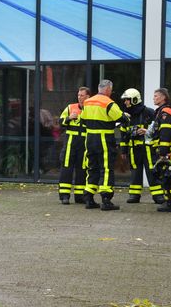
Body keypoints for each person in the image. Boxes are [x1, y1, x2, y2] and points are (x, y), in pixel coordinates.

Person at [80, 80, 130, 211]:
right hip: (104, 139)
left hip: (89, 139)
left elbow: (82, 120)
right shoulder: (108, 103)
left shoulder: (87, 102)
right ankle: (106, 200)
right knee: (106, 168)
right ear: (108, 89)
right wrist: (125, 117)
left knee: (92, 167)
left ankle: (89, 198)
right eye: (111, 90)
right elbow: (121, 118)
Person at [119, 88, 163, 204]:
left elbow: (158, 128)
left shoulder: (149, 112)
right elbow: (123, 134)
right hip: (133, 149)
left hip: (148, 148)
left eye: (127, 100)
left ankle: (158, 195)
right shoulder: (126, 116)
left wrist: (146, 131)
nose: (125, 102)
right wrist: (123, 151)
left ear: (134, 100)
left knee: (152, 171)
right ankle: (134, 195)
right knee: (135, 172)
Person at [57, 87, 91, 204]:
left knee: (82, 170)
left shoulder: (91, 110)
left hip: (84, 145)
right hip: (70, 145)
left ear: (88, 97)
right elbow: (60, 122)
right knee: (66, 169)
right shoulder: (70, 107)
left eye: (82, 95)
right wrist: (69, 118)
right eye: (78, 95)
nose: (79, 97)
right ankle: (64, 196)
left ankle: (80, 196)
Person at [150, 88, 171, 212]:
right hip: (165, 148)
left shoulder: (166, 111)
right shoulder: (161, 111)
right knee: (165, 174)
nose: (154, 98)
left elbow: (166, 132)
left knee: (168, 175)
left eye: (156, 96)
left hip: (167, 149)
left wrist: (163, 151)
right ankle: (169, 200)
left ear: (163, 98)